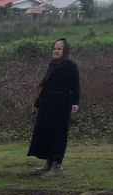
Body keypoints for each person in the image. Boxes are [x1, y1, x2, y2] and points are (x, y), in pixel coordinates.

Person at [27, 39, 80, 177]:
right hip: (47, 104)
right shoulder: (53, 65)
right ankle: (48, 162)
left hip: (61, 105)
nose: (56, 51)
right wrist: (38, 103)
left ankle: (56, 165)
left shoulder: (70, 66)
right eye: (54, 48)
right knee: (46, 133)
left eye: (59, 49)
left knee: (58, 134)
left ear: (65, 51)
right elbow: (47, 87)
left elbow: (75, 86)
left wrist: (75, 102)